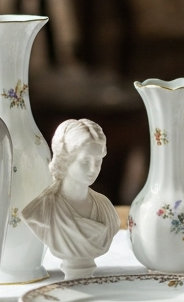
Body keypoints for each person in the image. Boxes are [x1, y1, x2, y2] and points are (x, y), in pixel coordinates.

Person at [22, 118, 121, 279]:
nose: (93, 169)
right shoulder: (42, 211)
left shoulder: (105, 208)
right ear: (65, 159)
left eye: (98, 161)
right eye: (85, 161)